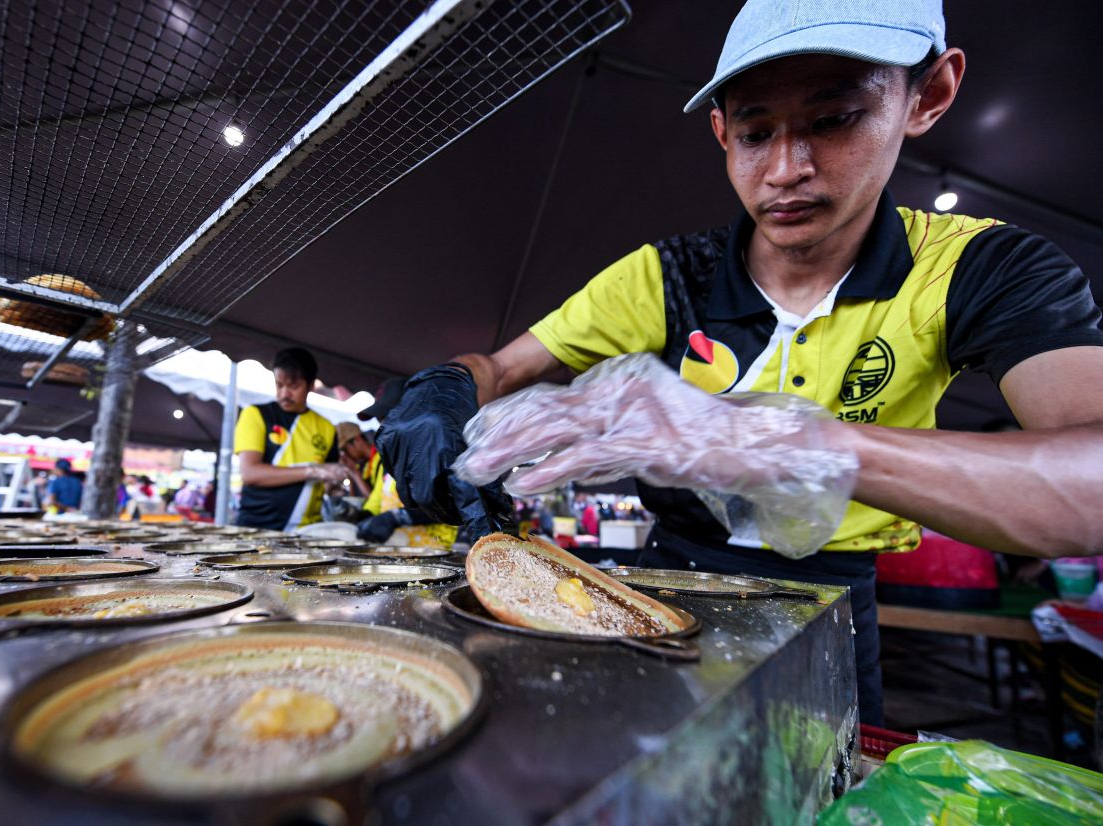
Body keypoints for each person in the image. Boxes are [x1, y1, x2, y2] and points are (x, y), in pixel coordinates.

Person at [377, 0, 1103, 728]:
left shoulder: (978, 269)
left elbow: (1090, 486)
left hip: (833, 597)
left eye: (836, 118)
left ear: (930, 94)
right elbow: (499, 369)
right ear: (721, 131)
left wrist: (794, 443)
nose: (787, 169)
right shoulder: (665, 278)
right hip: (664, 581)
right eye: (756, 133)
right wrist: (445, 389)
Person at [233, 347, 346, 530]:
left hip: (306, 529)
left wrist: (335, 486)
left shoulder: (326, 427)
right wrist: (312, 471)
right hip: (257, 527)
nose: (284, 394)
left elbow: (328, 478)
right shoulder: (255, 414)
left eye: (294, 386)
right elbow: (250, 473)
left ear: (310, 386)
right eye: (279, 385)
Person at [353, 380, 458, 547]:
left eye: (388, 418)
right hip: (397, 550)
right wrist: (364, 514)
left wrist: (397, 517)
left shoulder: (439, 449)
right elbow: (379, 495)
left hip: (434, 551)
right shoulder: (390, 456)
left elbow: (452, 503)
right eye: (380, 420)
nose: (383, 427)